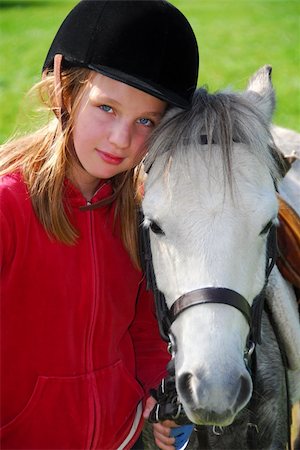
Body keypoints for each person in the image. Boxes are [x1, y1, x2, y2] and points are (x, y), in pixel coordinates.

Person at [0, 1, 199, 449]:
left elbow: (144, 329)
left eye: (145, 120)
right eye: (107, 108)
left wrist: (151, 395)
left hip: (120, 439)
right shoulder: (7, 209)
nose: (120, 139)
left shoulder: (137, 216)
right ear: (63, 92)